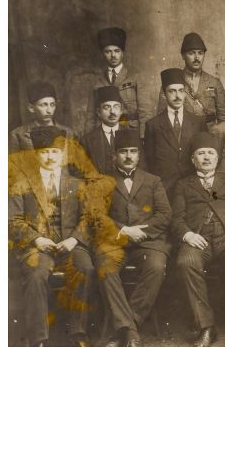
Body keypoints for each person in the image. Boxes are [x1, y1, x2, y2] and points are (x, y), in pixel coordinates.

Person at [8, 127, 95, 346]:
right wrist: (37, 240)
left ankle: (77, 333)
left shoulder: (76, 184)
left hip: (70, 244)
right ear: (36, 154)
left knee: (85, 268)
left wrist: (73, 240)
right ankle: (39, 339)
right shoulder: (21, 184)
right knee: (36, 274)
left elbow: (88, 218)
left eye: (55, 152)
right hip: (37, 247)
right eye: (44, 152)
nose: (50, 157)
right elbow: (13, 220)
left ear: (62, 154)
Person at [171, 132, 225, 347]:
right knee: (186, 262)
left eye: (210, 153)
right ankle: (206, 327)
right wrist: (188, 234)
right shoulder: (183, 184)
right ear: (192, 159)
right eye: (201, 153)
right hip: (198, 237)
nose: (206, 157)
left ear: (217, 158)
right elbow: (176, 218)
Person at [94, 129, 172, 347]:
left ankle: (127, 326)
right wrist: (124, 231)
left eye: (133, 151)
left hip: (148, 241)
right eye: (123, 152)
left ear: (139, 155)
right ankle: (130, 331)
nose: (128, 156)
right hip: (114, 241)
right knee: (106, 267)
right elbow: (97, 216)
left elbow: (165, 214)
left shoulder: (153, 180)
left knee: (156, 267)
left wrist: (143, 232)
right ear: (114, 155)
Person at [144, 68, 207, 195]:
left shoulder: (198, 122)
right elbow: (150, 162)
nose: (177, 96)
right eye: (172, 91)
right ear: (164, 94)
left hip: (193, 189)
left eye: (181, 91)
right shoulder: (152, 125)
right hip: (165, 189)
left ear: (185, 93)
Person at [84, 27, 154, 138]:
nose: (113, 55)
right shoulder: (97, 82)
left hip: (130, 133)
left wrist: (143, 138)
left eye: (117, 51)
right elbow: (90, 116)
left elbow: (145, 113)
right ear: (103, 54)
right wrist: (87, 141)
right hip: (104, 135)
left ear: (122, 53)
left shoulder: (136, 78)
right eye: (108, 51)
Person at [157, 32, 225, 123]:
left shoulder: (214, 83)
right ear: (183, 56)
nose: (197, 58)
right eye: (191, 53)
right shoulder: (171, 82)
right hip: (183, 130)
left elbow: (223, 117)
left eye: (200, 53)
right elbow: (162, 116)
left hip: (209, 130)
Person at [9, 81, 76, 152]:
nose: (49, 110)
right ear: (31, 108)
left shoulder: (68, 133)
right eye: (43, 105)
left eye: (52, 105)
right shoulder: (18, 134)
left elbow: (71, 158)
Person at [80, 86, 127, 175]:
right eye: (107, 107)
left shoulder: (131, 135)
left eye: (116, 107)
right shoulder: (86, 141)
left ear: (121, 111)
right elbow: (80, 172)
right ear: (98, 112)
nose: (112, 112)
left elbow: (142, 171)